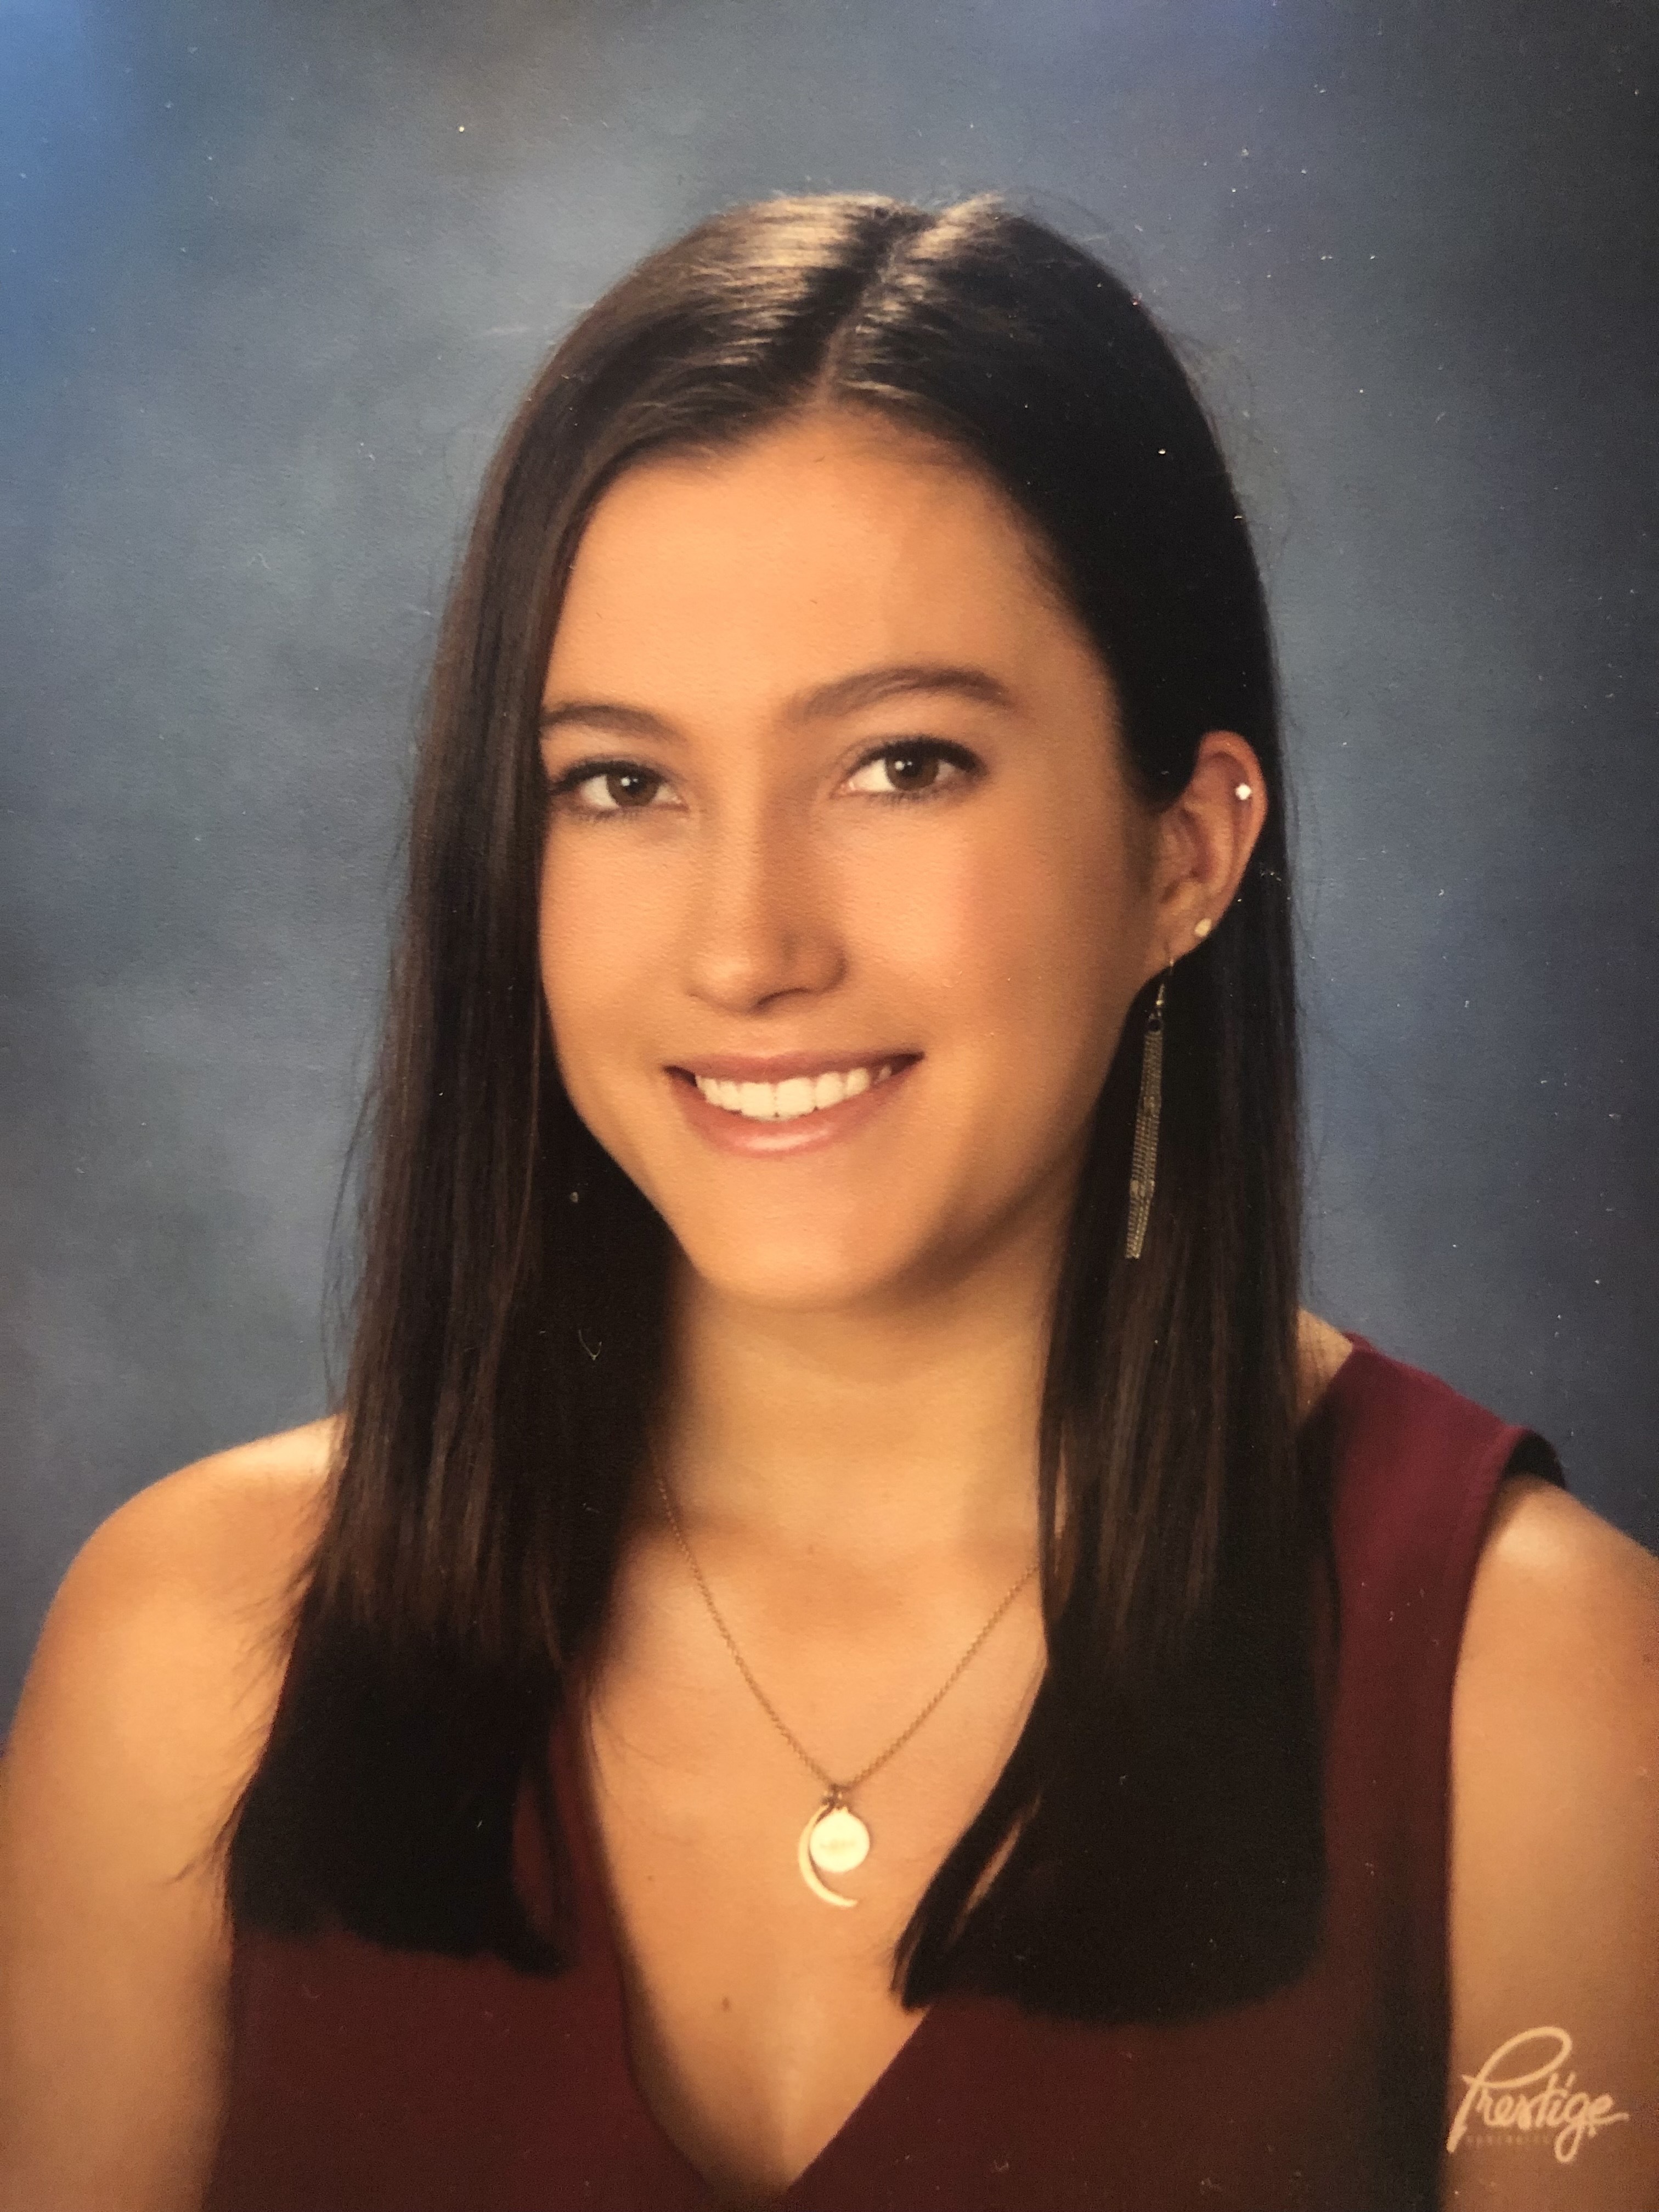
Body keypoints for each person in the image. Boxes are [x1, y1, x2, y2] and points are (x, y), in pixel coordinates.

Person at [1, 191, 1655, 2212]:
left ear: (1188, 848)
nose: (745, 945)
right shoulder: (194, 1657)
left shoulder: (1543, 1695)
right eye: (623, 784)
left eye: (902, 767)